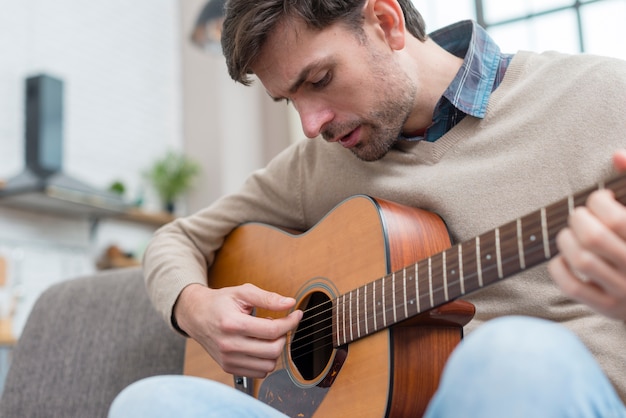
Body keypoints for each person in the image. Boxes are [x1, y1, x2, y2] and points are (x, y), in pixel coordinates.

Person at [109, 0, 626, 416]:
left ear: (384, 22)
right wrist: (194, 307)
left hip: (548, 392)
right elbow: (177, 239)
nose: (312, 125)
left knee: (513, 355)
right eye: (289, 100)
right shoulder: (318, 164)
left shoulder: (603, 97)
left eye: (318, 80)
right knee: (149, 403)